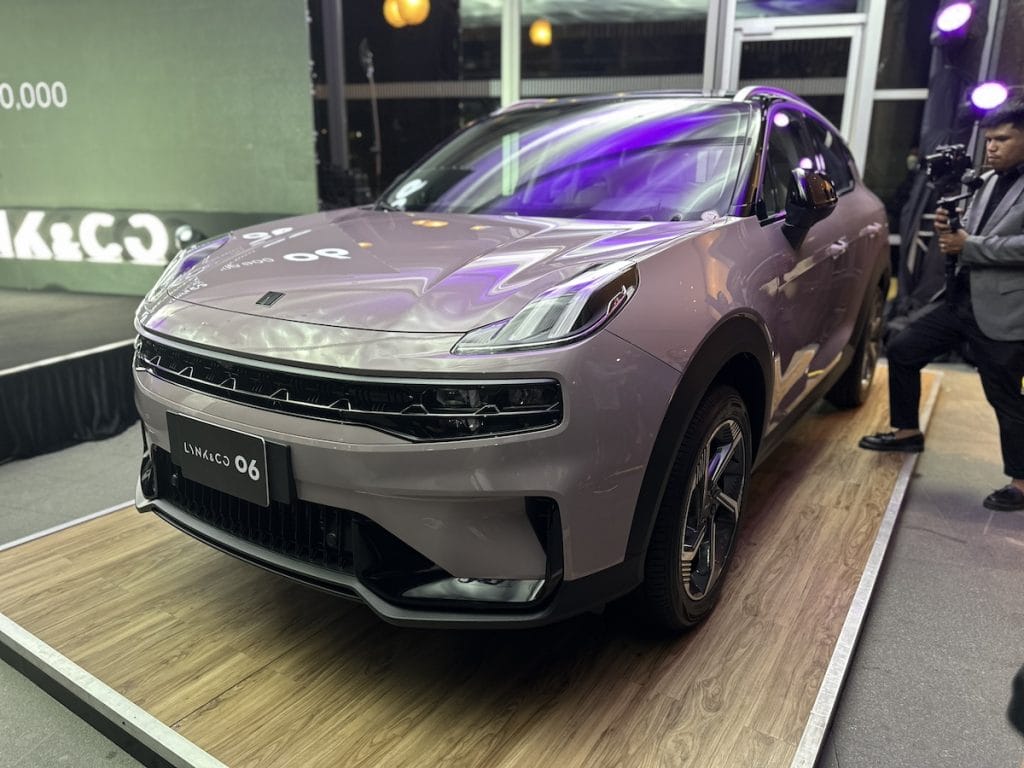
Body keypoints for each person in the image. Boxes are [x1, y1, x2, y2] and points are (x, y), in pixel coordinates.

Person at [858, 97, 1024, 513]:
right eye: (989, 139)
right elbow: (976, 230)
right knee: (903, 348)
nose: (991, 147)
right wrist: (951, 226)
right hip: (958, 299)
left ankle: (1021, 483)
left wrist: (971, 245)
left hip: (1002, 310)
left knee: (1004, 396)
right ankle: (906, 432)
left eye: (1002, 139)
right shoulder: (988, 180)